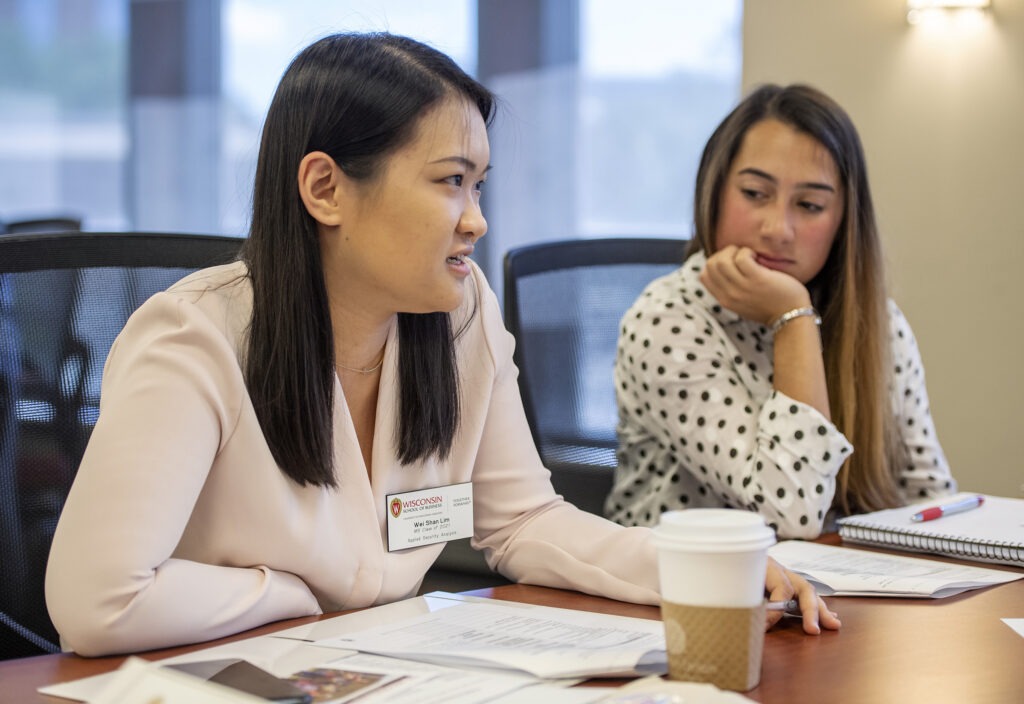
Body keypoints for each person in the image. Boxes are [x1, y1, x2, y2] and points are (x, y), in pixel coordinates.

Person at [45, 36, 839, 657]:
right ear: (325, 189)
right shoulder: (196, 338)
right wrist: (289, 591)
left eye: (479, 185)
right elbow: (99, 601)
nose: (476, 220)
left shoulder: (460, 319)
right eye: (448, 181)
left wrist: (703, 576)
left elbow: (523, 520)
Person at [607, 84, 956, 540]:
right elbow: (789, 515)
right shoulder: (666, 318)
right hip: (681, 595)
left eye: (809, 205)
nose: (777, 229)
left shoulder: (878, 324)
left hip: (841, 593)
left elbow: (931, 498)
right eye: (755, 193)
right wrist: (793, 318)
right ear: (713, 192)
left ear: (844, 221)